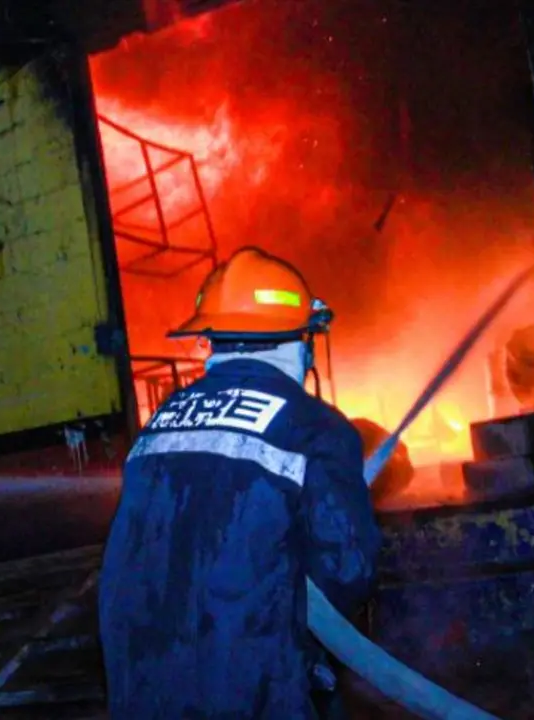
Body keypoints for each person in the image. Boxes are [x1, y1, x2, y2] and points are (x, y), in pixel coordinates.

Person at [98, 246, 383, 719]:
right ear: (303, 341)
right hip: (248, 692)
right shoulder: (316, 428)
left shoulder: (159, 421)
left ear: (212, 338)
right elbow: (348, 570)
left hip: (140, 690)